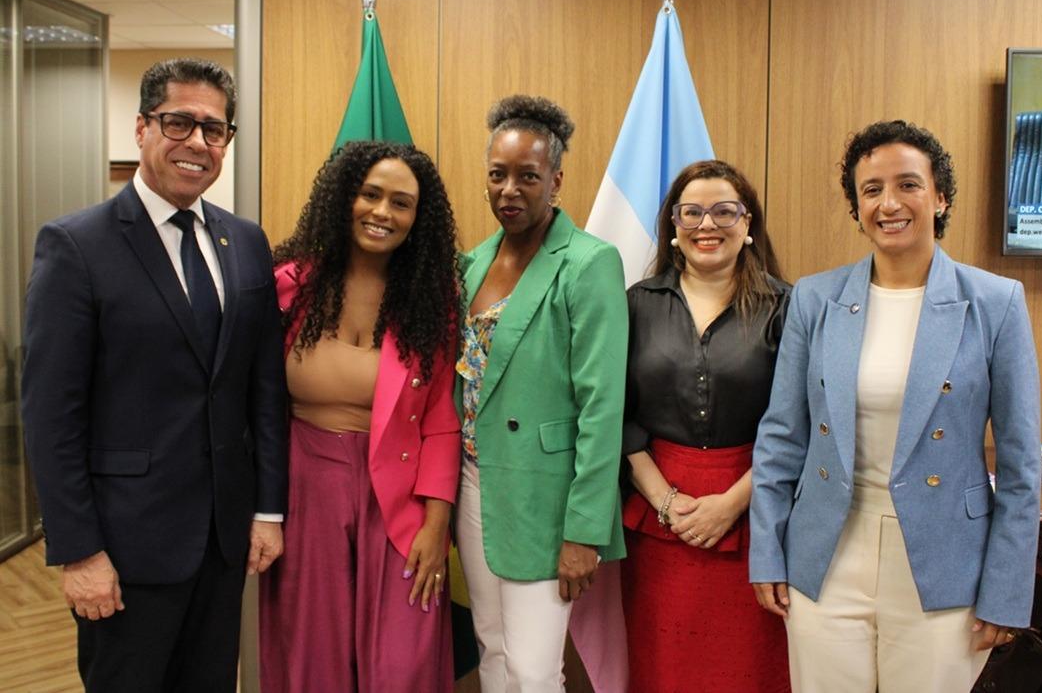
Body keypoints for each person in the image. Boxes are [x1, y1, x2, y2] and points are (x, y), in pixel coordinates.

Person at [21, 58, 288, 692]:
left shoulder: (245, 242)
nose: (198, 142)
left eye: (215, 129)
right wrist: (79, 551)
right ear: (142, 128)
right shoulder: (76, 245)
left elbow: (263, 389)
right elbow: (50, 415)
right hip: (125, 547)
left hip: (224, 543)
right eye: (179, 123)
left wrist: (268, 511)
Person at [750, 120, 1042, 692]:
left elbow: (1019, 464)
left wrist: (1007, 590)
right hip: (827, 554)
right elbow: (782, 434)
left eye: (908, 184)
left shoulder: (995, 302)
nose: (889, 203)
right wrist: (767, 550)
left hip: (945, 562)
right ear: (857, 208)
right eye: (871, 189)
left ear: (940, 197)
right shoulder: (817, 297)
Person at [258, 141, 461, 693]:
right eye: (370, 194)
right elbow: (252, 402)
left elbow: (442, 420)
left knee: (403, 661)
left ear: (418, 219)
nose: (382, 213)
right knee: (311, 652)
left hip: (400, 496)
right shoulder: (285, 286)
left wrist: (437, 524)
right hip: (303, 485)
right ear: (344, 197)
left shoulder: (430, 301)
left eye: (401, 203)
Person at [455, 95, 628, 692]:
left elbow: (602, 408)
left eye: (528, 176)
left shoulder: (588, 263)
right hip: (475, 483)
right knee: (494, 652)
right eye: (498, 175)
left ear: (555, 180)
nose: (510, 189)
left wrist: (584, 531)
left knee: (534, 668)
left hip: (545, 498)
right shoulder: (471, 263)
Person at [621, 160, 791, 692]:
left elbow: (798, 423)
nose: (706, 225)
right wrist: (666, 503)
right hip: (658, 519)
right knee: (664, 667)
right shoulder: (636, 304)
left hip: (755, 511)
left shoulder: (786, 306)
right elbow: (616, 415)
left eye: (723, 211)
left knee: (750, 671)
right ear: (673, 227)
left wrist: (731, 503)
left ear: (747, 226)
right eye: (691, 212)